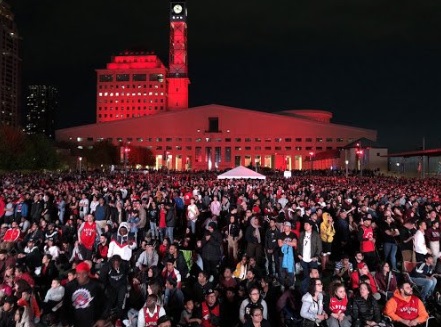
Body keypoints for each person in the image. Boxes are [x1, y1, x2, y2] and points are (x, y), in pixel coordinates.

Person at [61, 261, 107, 327]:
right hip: (75, 321)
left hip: (92, 321)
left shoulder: (97, 285)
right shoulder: (70, 285)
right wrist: (64, 320)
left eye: (83, 274)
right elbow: (66, 303)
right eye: (78, 274)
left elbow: (105, 303)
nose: (80, 276)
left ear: (88, 273)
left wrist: (102, 318)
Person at [278, 221, 297, 286]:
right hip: (282, 255)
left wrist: (284, 242)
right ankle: (282, 284)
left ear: (289, 227)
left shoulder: (293, 234)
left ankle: (291, 284)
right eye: (284, 226)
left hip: (290, 256)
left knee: (291, 270)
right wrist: (289, 242)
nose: (284, 227)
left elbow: (294, 243)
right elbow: (280, 244)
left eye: (286, 226)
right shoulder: (281, 234)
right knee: (281, 271)